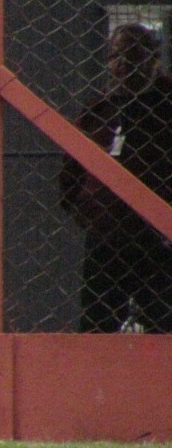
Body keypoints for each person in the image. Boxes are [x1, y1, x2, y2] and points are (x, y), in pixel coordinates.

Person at [59, 23, 172, 333]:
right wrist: (90, 214)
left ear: (153, 60)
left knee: (162, 327)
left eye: (133, 56)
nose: (123, 65)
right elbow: (70, 172)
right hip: (109, 238)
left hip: (160, 238)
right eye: (116, 56)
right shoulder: (100, 109)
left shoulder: (166, 108)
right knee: (97, 326)